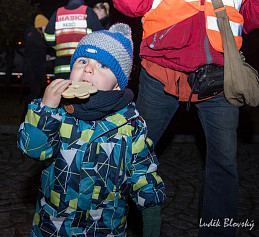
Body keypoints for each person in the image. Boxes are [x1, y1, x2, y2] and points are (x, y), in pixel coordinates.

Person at [113, 0, 259, 236]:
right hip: (161, 72)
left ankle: (219, 232)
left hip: (220, 77)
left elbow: (253, 16)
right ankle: (110, 223)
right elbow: (131, 5)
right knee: (133, 152)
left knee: (224, 162)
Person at [17, 23, 166, 236]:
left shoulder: (131, 124)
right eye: (83, 61)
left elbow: (143, 172)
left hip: (106, 229)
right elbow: (33, 149)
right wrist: (44, 110)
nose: (88, 68)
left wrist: (151, 214)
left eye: (103, 65)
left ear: (118, 84)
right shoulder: (57, 112)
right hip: (54, 227)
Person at [44, 0, 103, 80]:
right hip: (82, 65)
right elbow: (99, 36)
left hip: (61, 67)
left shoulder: (58, 12)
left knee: (61, 90)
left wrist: (58, 46)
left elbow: (48, 36)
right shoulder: (87, 11)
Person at [20, 14, 51, 123]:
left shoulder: (34, 35)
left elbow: (37, 50)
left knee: (35, 95)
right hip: (33, 72)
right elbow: (44, 45)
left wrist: (44, 56)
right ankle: (25, 118)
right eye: (45, 26)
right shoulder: (33, 34)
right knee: (34, 94)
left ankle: (29, 118)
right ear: (41, 26)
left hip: (34, 71)